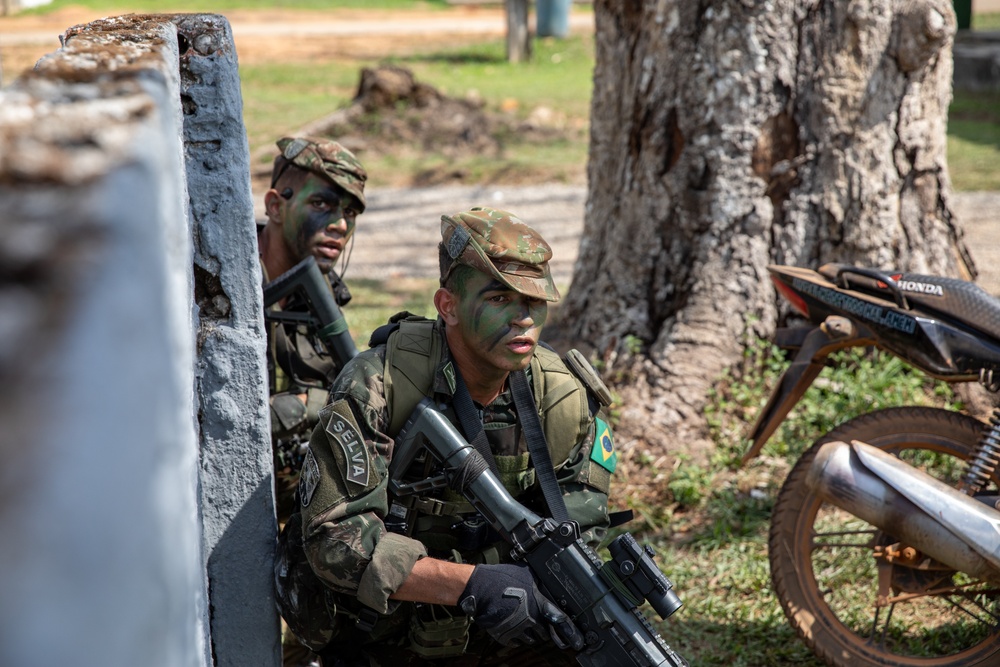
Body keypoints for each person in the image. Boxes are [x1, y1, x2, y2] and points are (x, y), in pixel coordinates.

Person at [274, 206, 619, 666]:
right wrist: (475, 585)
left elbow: (584, 533)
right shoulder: (381, 383)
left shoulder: (561, 398)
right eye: (500, 299)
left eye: (534, 303)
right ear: (447, 306)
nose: (524, 320)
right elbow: (336, 543)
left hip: (500, 636)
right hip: (378, 633)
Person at [258, 135, 367, 525]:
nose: (340, 225)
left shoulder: (321, 298)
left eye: (350, 212)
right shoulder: (218, 287)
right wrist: (307, 405)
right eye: (321, 204)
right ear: (276, 206)